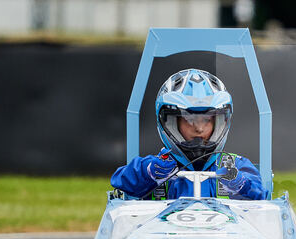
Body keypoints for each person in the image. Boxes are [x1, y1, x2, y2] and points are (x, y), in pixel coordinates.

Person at [111, 69, 265, 200]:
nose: (198, 128)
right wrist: (149, 172)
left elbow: (261, 196)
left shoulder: (233, 166)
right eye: (189, 120)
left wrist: (239, 183)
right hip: (166, 235)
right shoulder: (160, 166)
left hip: (223, 234)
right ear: (171, 123)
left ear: (219, 122)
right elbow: (121, 181)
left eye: (206, 120)